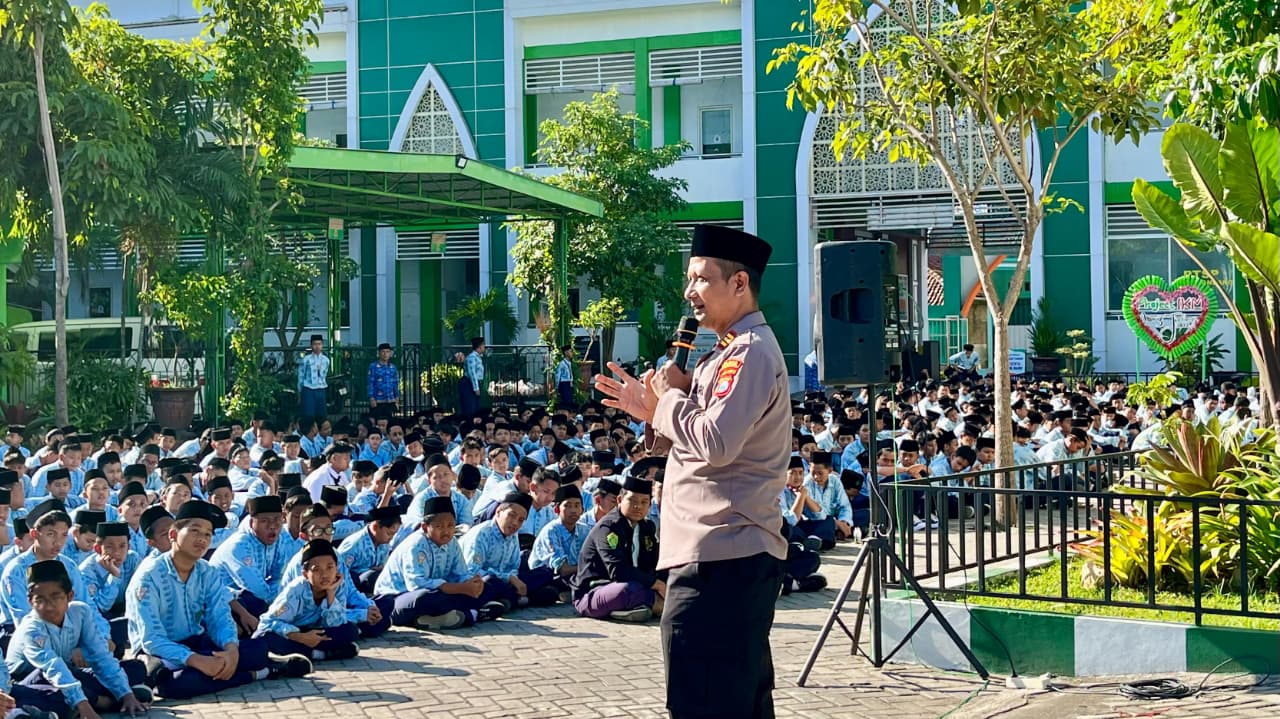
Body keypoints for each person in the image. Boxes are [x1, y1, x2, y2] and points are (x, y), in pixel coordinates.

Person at [594, 224, 788, 718]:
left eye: (701, 278)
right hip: (718, 559)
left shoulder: (747, 354)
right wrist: (652, 410)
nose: (689, 293)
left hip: (720, 561)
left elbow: (717, 444)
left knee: (704, 704)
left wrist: (670, 399)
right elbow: (697, 440)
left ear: (739, 283)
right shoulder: (722, 355)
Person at [125, 500, 311, 700]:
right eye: (195, 531)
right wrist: (195, 660)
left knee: (257, 649)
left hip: (197, 642)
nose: (202, 539)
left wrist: (230, 650)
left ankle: (242, 667)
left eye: (207, 534)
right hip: (160, 651)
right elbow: (152, 639)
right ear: (173, 535)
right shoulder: (149, 576)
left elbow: (219, 617)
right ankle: (259, 673)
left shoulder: (207, 571)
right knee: (176, 684)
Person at [7, 560, 151, 719]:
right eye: (40, 600)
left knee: (134, 668)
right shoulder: (31, 628)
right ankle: (104, 702)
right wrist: (84, 705)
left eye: (56, 597)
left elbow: (100, 656)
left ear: (70, 596)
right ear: (30, 602)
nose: (48, 606)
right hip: (31, 681)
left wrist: (126, 693)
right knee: (56, 690)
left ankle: (118, 697)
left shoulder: (80, 612)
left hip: (67, 672)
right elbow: (53, 668)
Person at [372, 497, 506, 630]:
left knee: (487, 587)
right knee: (425, 598)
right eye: (439, 526)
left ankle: (438, 618)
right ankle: (474, 614)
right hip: (398, 599)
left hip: (441, 593)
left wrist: (472, 583)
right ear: (425, 527)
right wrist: (460, 588)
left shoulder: (452, 542)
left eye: (450, 525)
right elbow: (417, 585)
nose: (446, 531)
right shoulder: (415, 545)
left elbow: (460, 573)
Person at [570, 477, 662, 622]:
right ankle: (654, 605)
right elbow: (618, 571)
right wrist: (656, 585)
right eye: (633, 501)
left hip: (638, 584)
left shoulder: (646, 527)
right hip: (594, 591)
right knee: (628, 590)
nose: (638, 506)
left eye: (644, 502)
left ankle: (639, 607)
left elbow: (654, 562)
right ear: (620, 500)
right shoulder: (608, 527)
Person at [252, 539, 359, 662]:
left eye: (330, 567)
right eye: (316, 569)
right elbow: (267, 623)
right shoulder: (296, 589)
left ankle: (311, 652)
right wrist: (300, 637)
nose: (325, 574)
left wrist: (330, 593)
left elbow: (336, 623)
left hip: (315, 632)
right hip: (292, 632)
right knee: (263, 638)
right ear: (305, 573)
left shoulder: (337, 585)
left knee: (350, 630)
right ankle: (318, 654)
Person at [298, 335, 330, 421]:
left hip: (321, 388)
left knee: (321, 414)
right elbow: (301, 375)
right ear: (311, 345)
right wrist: (300, 390)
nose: (317, 346)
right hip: (309, 388)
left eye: (319, 344)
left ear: (322, 345)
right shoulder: (306, 359)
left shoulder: (326, 360)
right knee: (309, 413)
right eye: (315, 344)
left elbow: (325, 374)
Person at [366, 343, 401, 419]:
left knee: (390, 421)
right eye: (383, 352)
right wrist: (371, 398)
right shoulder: (373, 366)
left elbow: (395, 383)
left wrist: (397, 398)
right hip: (378, 401)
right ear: (379, 353)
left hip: (390, 400)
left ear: (390, 353)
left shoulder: (393, 367)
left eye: (387, 352)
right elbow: (370, 383)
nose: (385, 354)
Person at [460, 337, 485, 418]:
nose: (484, 347)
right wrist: (476, 388)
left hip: (475, 383)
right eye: (483, 345)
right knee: (470, 406)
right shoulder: (472, 357)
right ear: (479, 346)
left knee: (476, 406)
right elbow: (472, 373)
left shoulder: (478, 357)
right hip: (469, 383)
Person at [555, 345, 576, 410]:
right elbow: (557, 375)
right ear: (566, 353)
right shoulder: (562, 364)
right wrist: (557, 386)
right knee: (566, 401)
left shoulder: (569, 363)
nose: (572, 353)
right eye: (570, 351)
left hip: (569, 383)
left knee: (570, 399)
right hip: (564, 383)